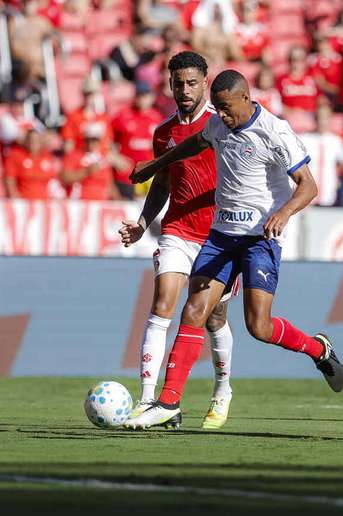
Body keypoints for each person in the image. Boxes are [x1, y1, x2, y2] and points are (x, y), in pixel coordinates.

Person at [123, 69, 343, 429]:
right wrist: (156, 165)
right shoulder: (217, 125)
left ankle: (318, 350)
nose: (222, 117)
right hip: (221, 236)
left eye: (227, 109)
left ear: (246, 98)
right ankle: (167, 402)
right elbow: (196, 142)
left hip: (260, 239)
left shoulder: (275, 132)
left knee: (258, 326)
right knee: (194, 310)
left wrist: (283, 213)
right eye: (218, 109)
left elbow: (308, 186)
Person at [119, 52, 239, 430]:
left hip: (219, 236)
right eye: (178, 83)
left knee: (214, 316)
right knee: (162, 303)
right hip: (178, 230)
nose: (184, 90)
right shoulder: (163, 132)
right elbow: (164, 185)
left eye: (191, 83)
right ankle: (148, 399)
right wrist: (142, 222)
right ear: (169, 84)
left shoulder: (224, 126)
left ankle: (222, 390)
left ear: (206, 83)